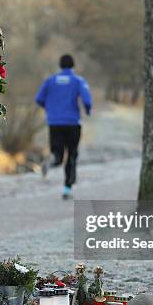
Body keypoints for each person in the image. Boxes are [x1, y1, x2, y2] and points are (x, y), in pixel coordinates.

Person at [35, 54, 92, 199]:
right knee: (72, 155)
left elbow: (39, 99)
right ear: (73, 65)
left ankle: (51, 160)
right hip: (72, 123)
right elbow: (86, 99)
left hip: (54, 123)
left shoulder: (50, 81)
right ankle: (67, 189)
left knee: (58, 155)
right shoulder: (78, 80)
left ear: (60, 65)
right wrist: (88, 110)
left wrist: (50, 109)